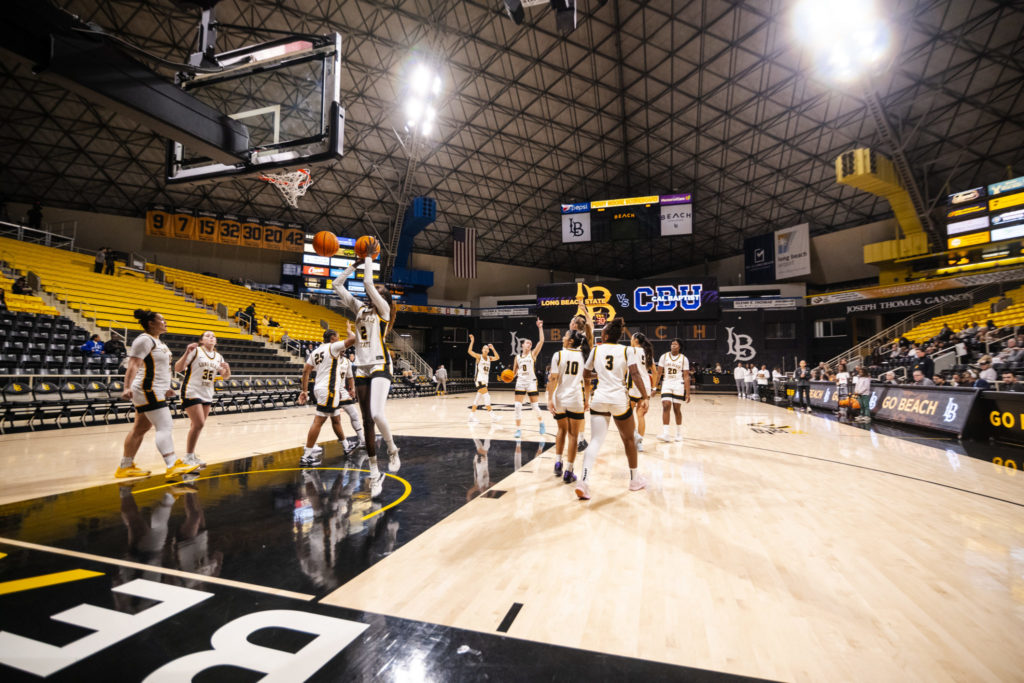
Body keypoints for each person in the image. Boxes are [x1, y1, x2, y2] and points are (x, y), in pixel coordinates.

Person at [332, 254, 401, 495]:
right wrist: (353, 265)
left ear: (383, 298)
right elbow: (336, 285)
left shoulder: (383, 310)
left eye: (379, 291)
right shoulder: (359, 309)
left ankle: (392, 449)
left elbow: (368, 285)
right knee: (366, 422)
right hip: (360, 367)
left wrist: (369, 259)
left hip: (380, 364)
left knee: (377, 413)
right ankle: (374, 472)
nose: (374, 293)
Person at [115, 309, 198, 479]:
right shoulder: (144, 340)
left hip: (155, 389)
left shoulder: (159, 343)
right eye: (162, 319)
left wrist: (166, 387)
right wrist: (126, 387)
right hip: (147, 388)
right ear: (151, 323)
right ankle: (172, 463)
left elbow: (160, 368)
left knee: (140, 428)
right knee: (165, 425)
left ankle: (125, 466)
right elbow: (133, 365)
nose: (165, 322)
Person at [576, 317, 649, 500]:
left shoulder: (596, 349)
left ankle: (583, 482)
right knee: (629, 440)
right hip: (619, 400)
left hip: (599, 399)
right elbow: (634, 373)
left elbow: (585, 375)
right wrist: (645, 396)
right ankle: (634, 480)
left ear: (606, 335)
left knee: (595, 441)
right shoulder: (627, 350)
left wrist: (599, 375)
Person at [297, 329, 362, 467]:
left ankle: (346, 446)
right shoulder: (333, 347)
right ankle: (306, 456)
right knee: (319, 421)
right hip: (328, 390)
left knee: (336, 418)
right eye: (338, 337)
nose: (339, 340)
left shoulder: (316, 351)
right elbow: (355, 339)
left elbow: (305, 370)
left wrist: (304, 390)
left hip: (320, 388)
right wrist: (349, 331)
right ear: (333, 338)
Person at [174, 331, 231, 469]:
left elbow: (225, 377)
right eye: (208, 336)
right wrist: (187, 352)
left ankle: (191, 455)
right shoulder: (196, 351)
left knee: (196, 426)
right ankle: (188, 456)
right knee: (199, 424)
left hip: (207, 392)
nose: (211, 337)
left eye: (213, 336)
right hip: (192, 390)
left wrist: (227, 369)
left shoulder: (218, 356)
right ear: (201, 340)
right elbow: (177, 368)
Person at [547, 329, 588, 484]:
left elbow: (553, 379)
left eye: (565, 335)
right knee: (573, 435)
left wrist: (550, 399)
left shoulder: (558, 355)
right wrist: (587, 399)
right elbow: (588, 379)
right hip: (576, 398)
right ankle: (569, 471)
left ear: (570, 341)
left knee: (561, 430)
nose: (563, 337)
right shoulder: (584, 356)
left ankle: (558, 462)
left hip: (560, 398)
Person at [511, 319, 546, 439]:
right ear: (522, 345)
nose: (529, 344)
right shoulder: (517, 357)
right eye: (527, 343)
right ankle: (518, 429)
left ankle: (541, 423)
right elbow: (514, 372)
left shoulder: (533, 354)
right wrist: (510, 376)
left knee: (535, 406)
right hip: (520, 382)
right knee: (517, 406)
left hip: (531, 382)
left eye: (530, 343)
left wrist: (540, 327)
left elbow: (541, 341)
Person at [656, 338, 690, 442]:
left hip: (678, 384)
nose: (673, 346)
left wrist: (687, 393)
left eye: (675, 344)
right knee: (666, 405)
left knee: (676, 409)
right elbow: (658, 373)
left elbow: (686, 376)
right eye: (672, 344)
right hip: (667, 383)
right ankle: (666, 434)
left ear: (679, 347)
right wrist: (654, 386)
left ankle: (679, 433)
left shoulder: (684, 359)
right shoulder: (664, 356)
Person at [628, 332, 655, 451]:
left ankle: (633, 436)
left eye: (632, 338)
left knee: (628, 415)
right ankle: (639, 442)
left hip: (635, 385)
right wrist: (654, 387)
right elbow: (655, 372)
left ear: (636, 341)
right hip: (646, 387)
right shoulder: (647, 353)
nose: (631, 340)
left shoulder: (631, 351)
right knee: (641, 415)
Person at [467, 336, 498, 422]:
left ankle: (471, 416)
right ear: (482, 350)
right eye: (484, 348)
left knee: (477, 399)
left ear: (488, 351)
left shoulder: (489, 358)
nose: (485, 349)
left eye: (487, 348)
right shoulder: (479, 357)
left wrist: (493, 348)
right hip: (479, 380)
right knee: (487, 397)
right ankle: (492, 416)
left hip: (485, 381)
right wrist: (472, 341)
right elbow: (469, 351)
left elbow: (497, 357)